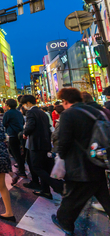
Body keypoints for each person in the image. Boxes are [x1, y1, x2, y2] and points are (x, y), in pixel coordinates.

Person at [52, 88, 110, 235]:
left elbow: (63, 141)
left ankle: (66, 225)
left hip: (78, 165)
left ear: (65, 101)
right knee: (104, 196)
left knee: (71, 199)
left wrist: (61, 157)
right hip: (97, 162)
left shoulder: (68, 114)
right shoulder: (96, 112)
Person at [22, 95, 63, 199]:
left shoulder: (31, 112)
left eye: (23, 104)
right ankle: (46, 191)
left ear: (28, 103)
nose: (23, 106)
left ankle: (58, 185)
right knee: (44, 167)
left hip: (36, 144)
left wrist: (25, 133)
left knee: (36, 167)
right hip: (45, 143)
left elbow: (30, 126)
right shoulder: (42, 113)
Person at [2, 99, 26, 184]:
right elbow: (23, 122)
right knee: (17, 152)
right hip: (20, 134)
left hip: (12, 135)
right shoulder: (19, 112)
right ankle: (21, 166)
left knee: (15, 152)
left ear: (8, 105)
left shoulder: (7, 113)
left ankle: (22, 170)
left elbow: (4, 124)